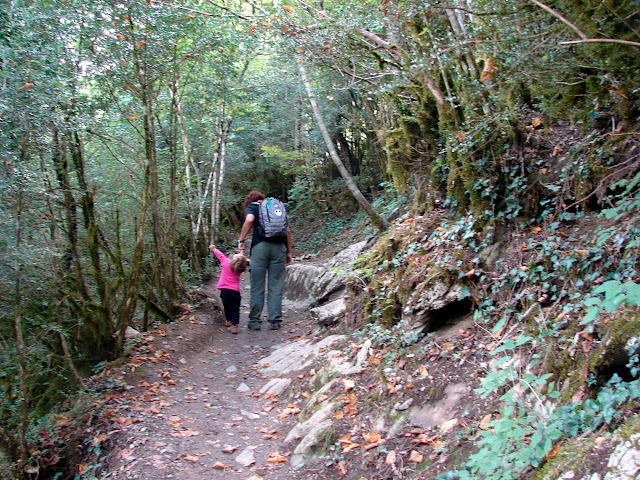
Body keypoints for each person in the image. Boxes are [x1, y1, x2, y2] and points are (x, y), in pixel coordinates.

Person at [237, 191, 292, 330]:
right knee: (276, 285)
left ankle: (255, 321)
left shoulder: (253, 206)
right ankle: (275, 321)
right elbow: (288, 231)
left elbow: (249, 220)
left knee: (257, 285)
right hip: (279, 248)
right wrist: (289, 252)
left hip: (260, 248)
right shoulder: (274, 207)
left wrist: (241, 239)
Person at [209, 244, 248, 334]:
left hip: (225, 291)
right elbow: (241, 260)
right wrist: (241, 250)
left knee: (227, 307)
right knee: (235, 308)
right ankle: (235, 326)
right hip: (235, 292)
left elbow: (220, 256)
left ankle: (229, 321)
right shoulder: (239, 268)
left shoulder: (226, 263)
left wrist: (214, 249)